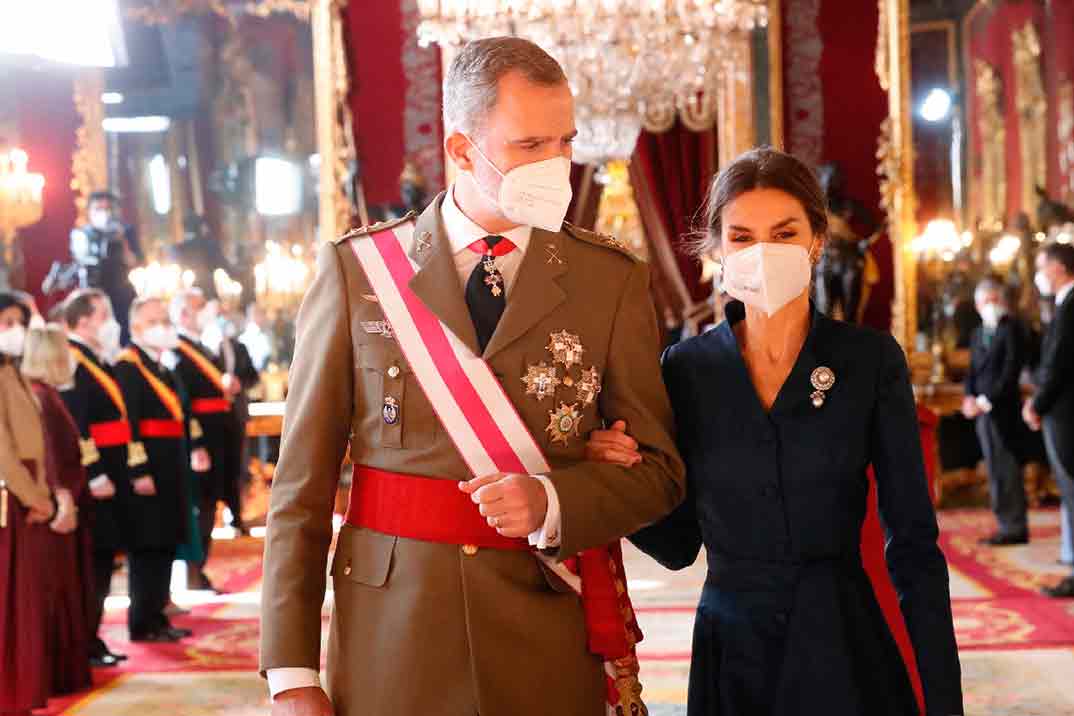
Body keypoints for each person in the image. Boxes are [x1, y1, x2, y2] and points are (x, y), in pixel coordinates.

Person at [260, 36, 685, 716]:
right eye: (530, 145)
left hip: (546, 625)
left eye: (564, 143)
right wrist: (290, 672)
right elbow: (300, 490)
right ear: (463, 150)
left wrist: (553, 502)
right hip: (394, 631)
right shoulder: (360, 273)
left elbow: (659, 471)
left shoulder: (611, 280)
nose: (558, 165)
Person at [587, 148, 963, 716]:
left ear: (816, 238)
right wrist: (622, 474)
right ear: (717, 250)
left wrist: (941, 697)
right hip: (732, 652)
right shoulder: (686, 370)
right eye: (741, 237)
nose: (763, 253)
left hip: (844, 644)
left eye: (784, 233)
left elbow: (912, 543)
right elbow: (675, 545)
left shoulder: (868, 360)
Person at [113, 297, 207, 640]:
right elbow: (130, 423)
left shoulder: (162, 366)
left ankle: (158, 616)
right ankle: (142, 620)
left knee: (165, 543)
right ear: (136, 327)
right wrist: (138, 470)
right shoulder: (128, 366)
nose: (165, 325)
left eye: (167, 319)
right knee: (148, 546)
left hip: (171, 467)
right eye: (156, 320)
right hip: (149, 469)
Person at [59, 289, 131, 667]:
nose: (111, 322)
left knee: (104, 560)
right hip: (94, 477)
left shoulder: (94, 357)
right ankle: (85, 641)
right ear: (83, 320)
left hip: (112, 469)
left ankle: (93, 636)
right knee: (95, 561)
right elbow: (77, 423)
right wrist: (96, 471)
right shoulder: (72, 359)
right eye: (104, 315)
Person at [22, 323, 94, 694]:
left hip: (63, 501)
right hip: (56, 508)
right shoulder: (41, 396)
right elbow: (46, 452)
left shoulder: (45, 393)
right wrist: (62, 496)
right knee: (55, 591)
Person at [0, 292, 57, 716]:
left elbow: (33, 440)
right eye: (6, 322)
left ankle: (23, 690)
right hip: (11, 499)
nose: (14, 330)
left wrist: (43, 493)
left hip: (27, 496)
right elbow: (2, 448)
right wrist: (33, 496)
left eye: (18, 321)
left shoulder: (12, 370)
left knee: (26, 604)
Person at [170, 288, 237, 591]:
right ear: (184, 313)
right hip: (199, 435)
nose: (207, 311)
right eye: (200, 307)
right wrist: (195, 443)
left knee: (211, 503)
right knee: (201, 504)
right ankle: (191, 570)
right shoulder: (176, 349)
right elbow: (181, 403)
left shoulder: (202, 347)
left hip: (218, 433)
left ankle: (200, 567)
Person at [962, 277, 1030, 545]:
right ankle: (1004, 524)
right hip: (982, 412)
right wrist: (969, 397)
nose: (989, 305)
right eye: (984, 301)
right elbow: (972, 371)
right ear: (977, 305)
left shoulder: (1012, 328)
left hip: (1003, 410)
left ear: (1000, 301)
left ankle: (1015, 526)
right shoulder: (978, 333)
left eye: (993, 300)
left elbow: (1010, 371)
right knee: (993, 469)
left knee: (1008, 469)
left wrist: (985, 400)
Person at [1024, 242, 1074, 597]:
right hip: (1061, 411)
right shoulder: (1062, 305)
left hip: (1066, 413)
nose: (1038, 274)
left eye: (1041, 266)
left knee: (1071, 490)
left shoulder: (1071, 306)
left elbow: (1059, 364)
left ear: (1058, 268)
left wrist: (1037, 404)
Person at [200, 305, 259, 533]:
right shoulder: (204, 349)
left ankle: (237, 515)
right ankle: (212, 518)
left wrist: (239, 383)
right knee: (215, 467)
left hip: (236, 415)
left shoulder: (239, 347)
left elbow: (253, 376)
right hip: (212, 418)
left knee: (237, 466)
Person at [69, 191, 142, 343]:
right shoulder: (82, 234)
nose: (104, 213)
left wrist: (121, 239)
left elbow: (134, 261)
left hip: (123, 291)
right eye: (98, 208)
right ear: (89, 211)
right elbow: (81, 261)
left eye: (108, 208)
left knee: (127, 335)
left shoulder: (126, 231)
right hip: (95, 291)